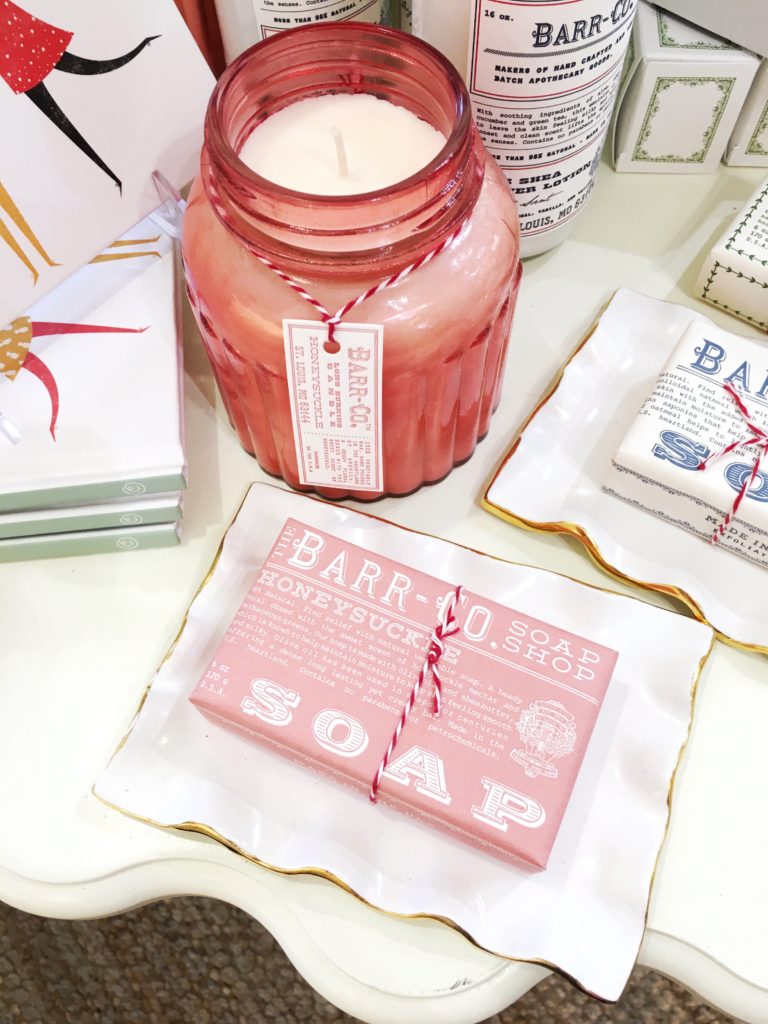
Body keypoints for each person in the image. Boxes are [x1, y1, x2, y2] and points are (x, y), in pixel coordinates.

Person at [0, 0, 159, 193]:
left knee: (89, 71)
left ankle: (115, 178)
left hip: (18, 37)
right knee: (63, 117)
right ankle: (114, 178)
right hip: (12, 52)